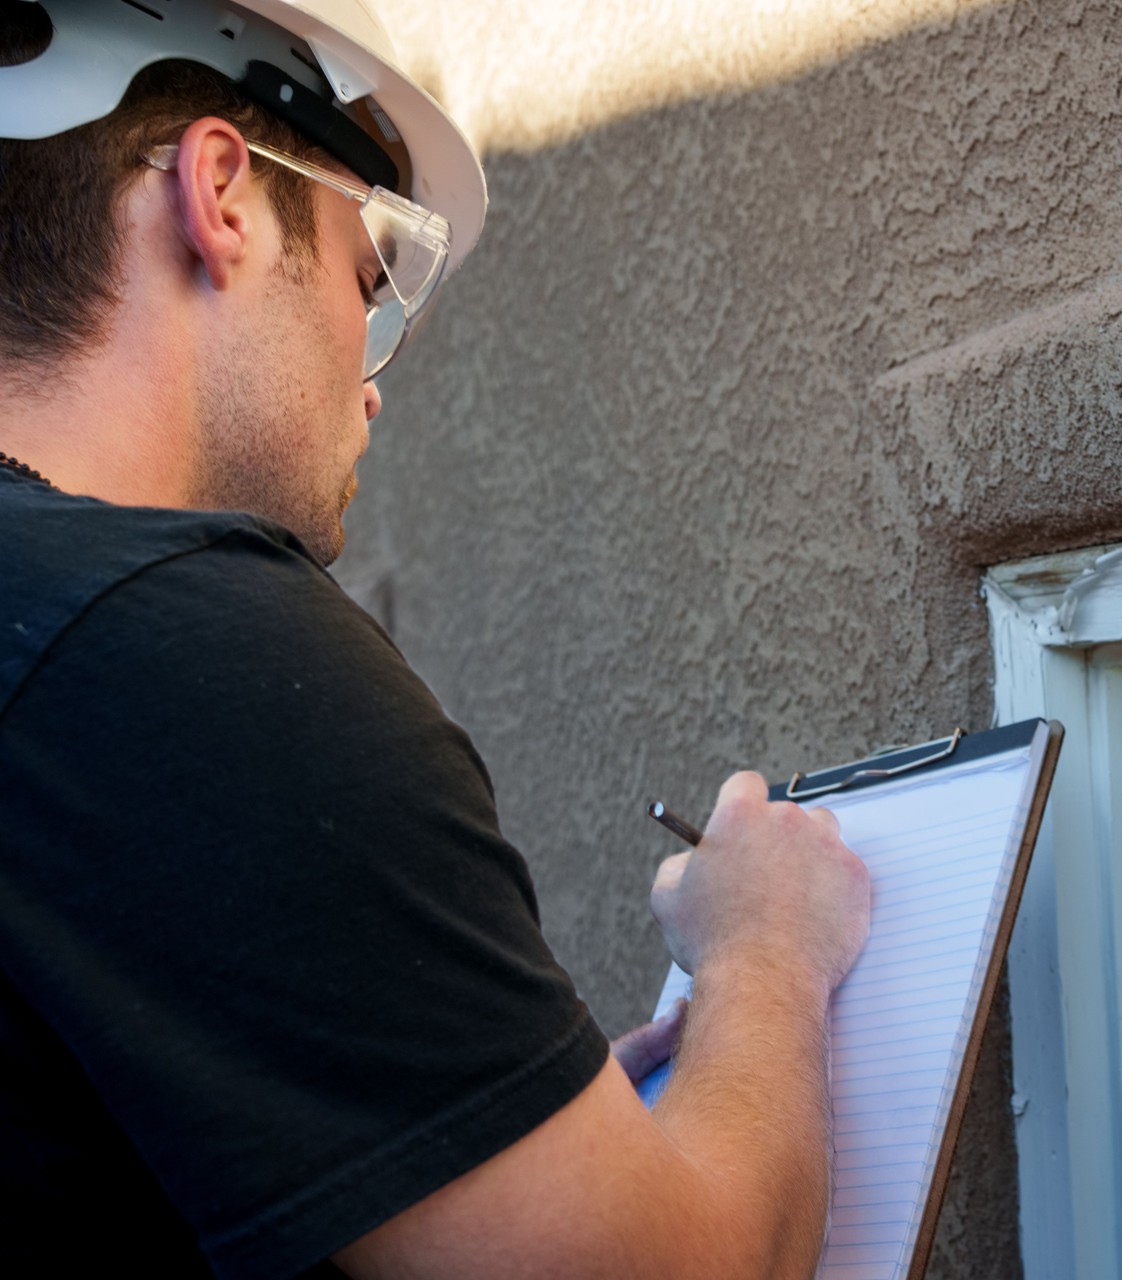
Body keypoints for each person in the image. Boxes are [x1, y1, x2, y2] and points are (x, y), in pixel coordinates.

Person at [0, 2, 872, 1276]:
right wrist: (767, 952)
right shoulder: (180, 644)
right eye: (370, 282)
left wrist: (466, 1129)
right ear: (224, 196)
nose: (370, 381)